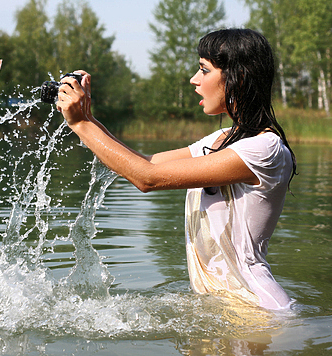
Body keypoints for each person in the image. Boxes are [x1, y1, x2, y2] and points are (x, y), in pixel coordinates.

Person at [55, 28, 297, 310]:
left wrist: (80, 125)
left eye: (204, 70)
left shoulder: (264, 149)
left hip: (256, 310)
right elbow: (147, 162)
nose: (194, 80)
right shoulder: (223, 139)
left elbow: (147, 179)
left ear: (238, 78)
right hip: (222, 307)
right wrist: (86, 116)